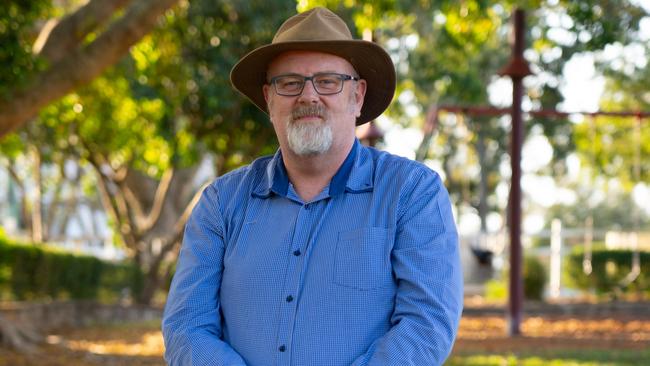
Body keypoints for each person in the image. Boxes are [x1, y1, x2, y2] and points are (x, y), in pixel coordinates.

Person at [162, 7, 463, 366]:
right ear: (269, 99)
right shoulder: (221, 203)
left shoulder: (412, 194)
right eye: (289, 82)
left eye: (328, 81)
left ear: (358, 96)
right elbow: (186, 326)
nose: (308, 96)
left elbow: (426, 326)